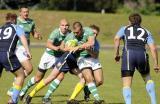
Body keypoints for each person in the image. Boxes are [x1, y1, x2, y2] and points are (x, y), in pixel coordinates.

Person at [19, 19, 71, 100]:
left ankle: (47, 96)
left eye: (66, 25)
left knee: (61, 76)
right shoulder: (55, 33)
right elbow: (48, 44)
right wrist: (56, 48)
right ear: (59, 26)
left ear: (69, 26)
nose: (65, 27)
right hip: (48, 56)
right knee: (38, 78)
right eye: (63, 25)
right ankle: (25, 89)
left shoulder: (70, 34)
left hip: (59, 58)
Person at [114, 13, 159, 104]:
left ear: (129, 21)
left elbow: (116, 38)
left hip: (128, 55)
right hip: (142, 55)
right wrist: (156, 63)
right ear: (140, 22)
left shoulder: (124, 28)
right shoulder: (146, 31)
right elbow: (153, 48)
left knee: (127, 83)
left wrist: (117, 54)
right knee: (147, 78)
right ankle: (154, 102)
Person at [7, 6, 41, 96]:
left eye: (27, 12)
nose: (26, 13)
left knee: (25, 70)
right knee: (29, 68)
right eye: (24, 12)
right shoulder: (16, 21)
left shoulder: (31, 22)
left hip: (25, 48)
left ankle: (14, 86)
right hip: (18, 48)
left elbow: (33, 33)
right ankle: (13, 88)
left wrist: (37, 35)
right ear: (20, 13)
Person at [67, 24, 104, 102]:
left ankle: (87, 90)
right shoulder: (79, 38)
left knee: (99, 81)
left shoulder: (96, 43)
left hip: (93, 60)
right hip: (81, 60)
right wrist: (75, 47)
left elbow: (96, 55)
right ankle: (97, 99)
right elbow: (68, 47)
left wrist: (89, 50)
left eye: (96, 34)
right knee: (87, 79)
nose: (94, 35)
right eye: (93, 33)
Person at [0, 13, 31, 104]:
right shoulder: (16, 27)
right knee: (20, 75)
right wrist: (28, 51)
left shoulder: (1, 28)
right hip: (7, 54)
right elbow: (23, 38)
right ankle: (13, 100)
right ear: (14, 20)